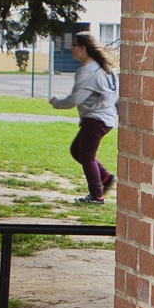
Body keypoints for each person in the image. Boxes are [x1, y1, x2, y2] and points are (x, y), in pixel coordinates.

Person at [48, 28, 118, 204]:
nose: (71, 48)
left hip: (96, 119)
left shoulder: (87, 72)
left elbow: (74, 99)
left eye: (74, 45)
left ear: (84, 48)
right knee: (77, 151)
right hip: (102, 118)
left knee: (86, 155)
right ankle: (106, 178)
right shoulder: (100, 65)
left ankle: (96, 196)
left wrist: (57, 103)